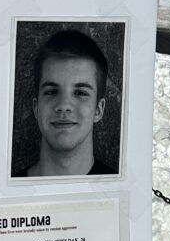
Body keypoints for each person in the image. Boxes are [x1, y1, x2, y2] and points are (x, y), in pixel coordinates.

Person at [23, 29, 117, 177]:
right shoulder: (0, 193)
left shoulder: (121, 191)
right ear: (36, 108)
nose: (64, 105)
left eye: (80, 93)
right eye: (51, 92)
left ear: (98, 109)